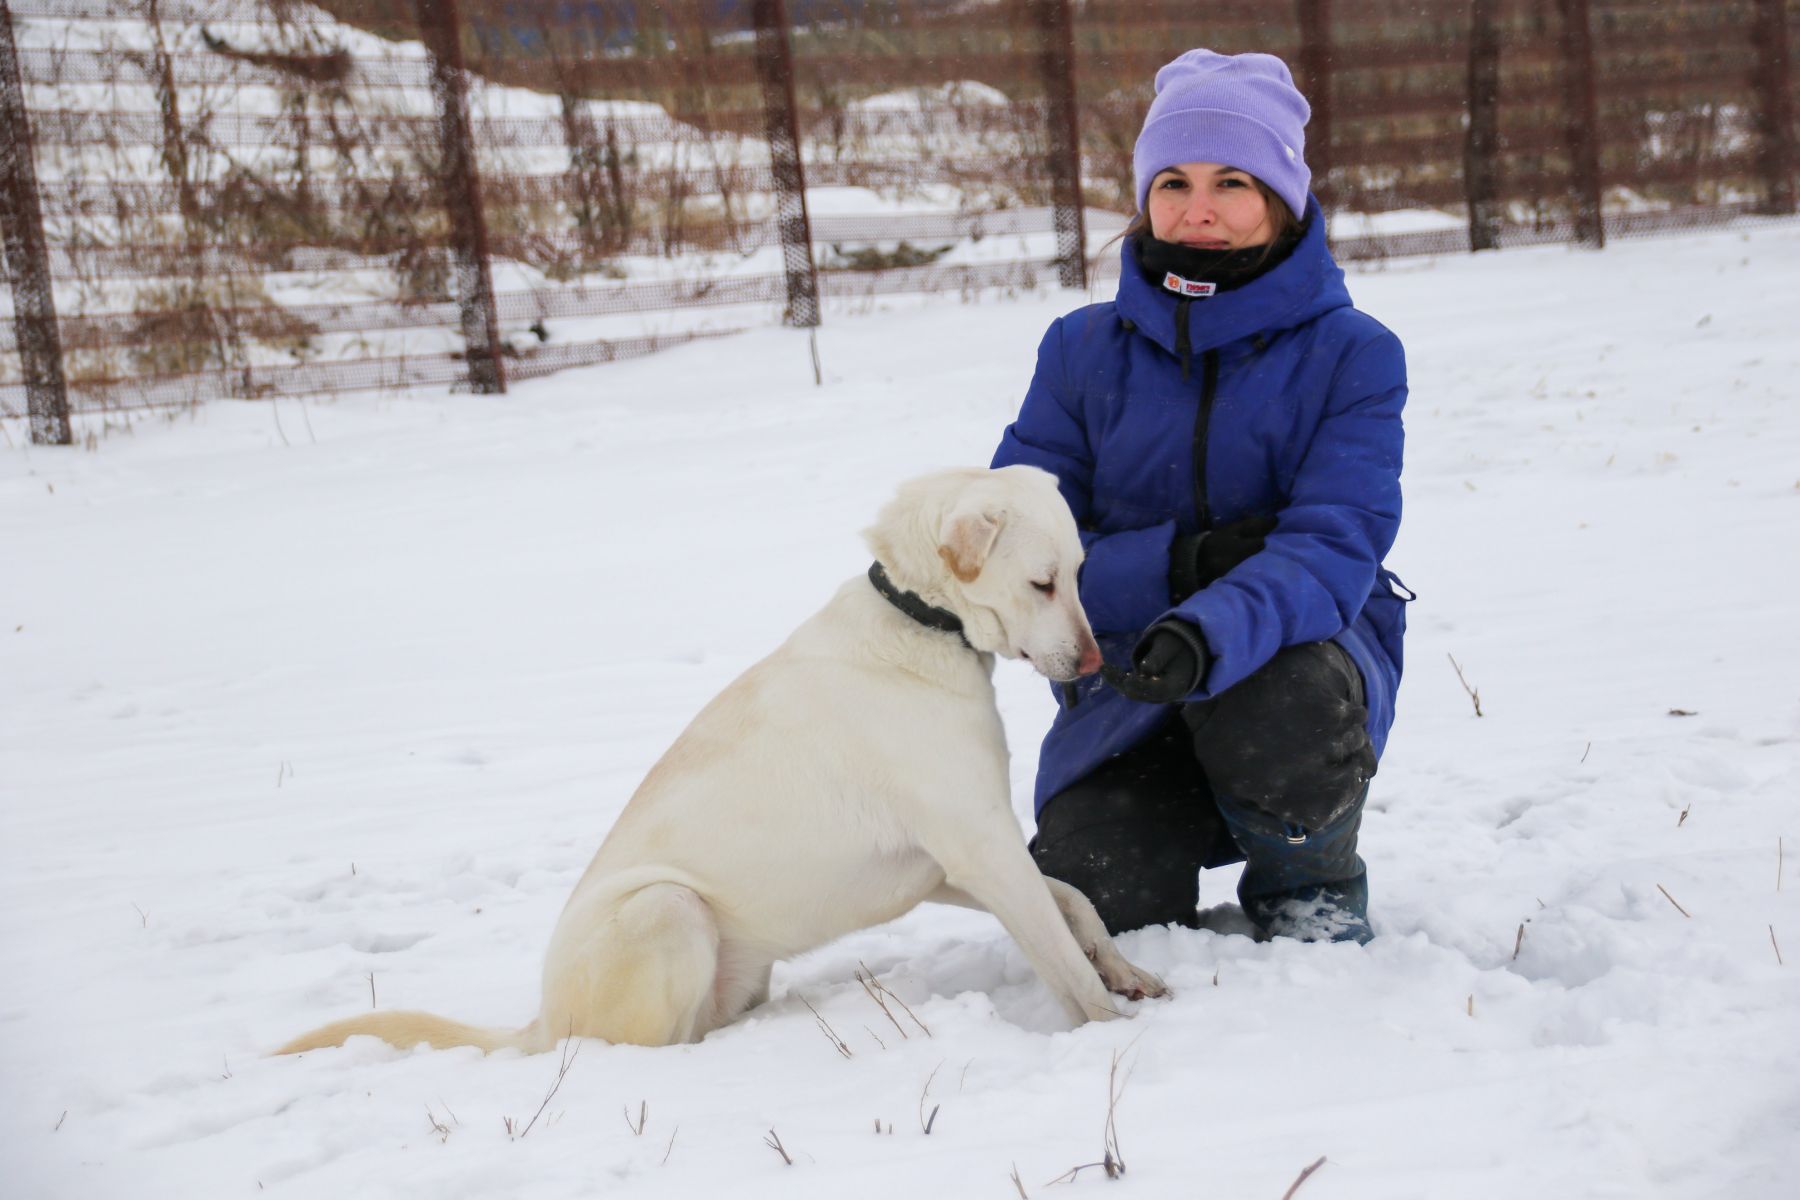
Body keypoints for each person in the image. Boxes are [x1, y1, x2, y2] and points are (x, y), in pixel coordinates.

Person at [991, 48, 1411, 945]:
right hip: (1123, 686)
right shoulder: (1078, 352)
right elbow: (1013, 551)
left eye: (1233, 182)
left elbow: (1335, 547)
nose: (1199, 209)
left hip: (1294, 669)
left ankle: (1308, 876)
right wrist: (1172, 569)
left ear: (1282, 200)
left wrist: (1208, 626)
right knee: (1095, 911)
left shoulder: (1354, 355)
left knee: (1281, 701)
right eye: (1173, 181)